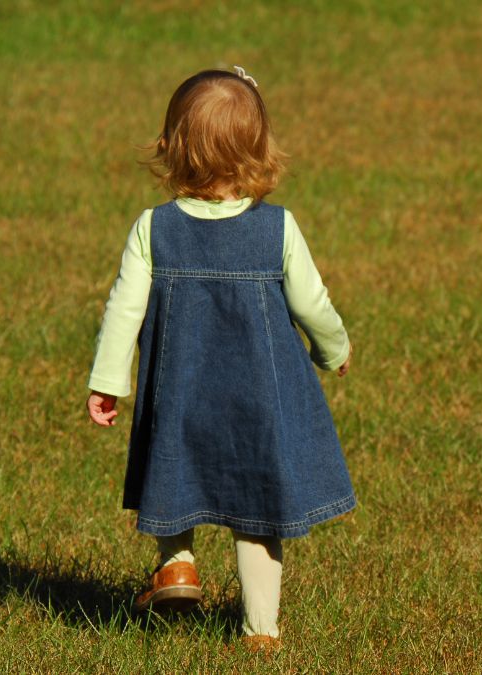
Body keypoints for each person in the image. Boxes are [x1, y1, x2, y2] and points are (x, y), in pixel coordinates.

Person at [85, 67, 355, 655]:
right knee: (257, 510)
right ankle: (260, 631)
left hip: (178, 394)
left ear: (169, 146)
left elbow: (122, 309)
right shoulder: (277, 228)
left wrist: (109, 381)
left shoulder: (154, 229)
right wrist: (335, 349)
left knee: (174, 475)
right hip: (259, 401)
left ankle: (178, 567)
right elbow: (313, 302)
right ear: (259, 149)